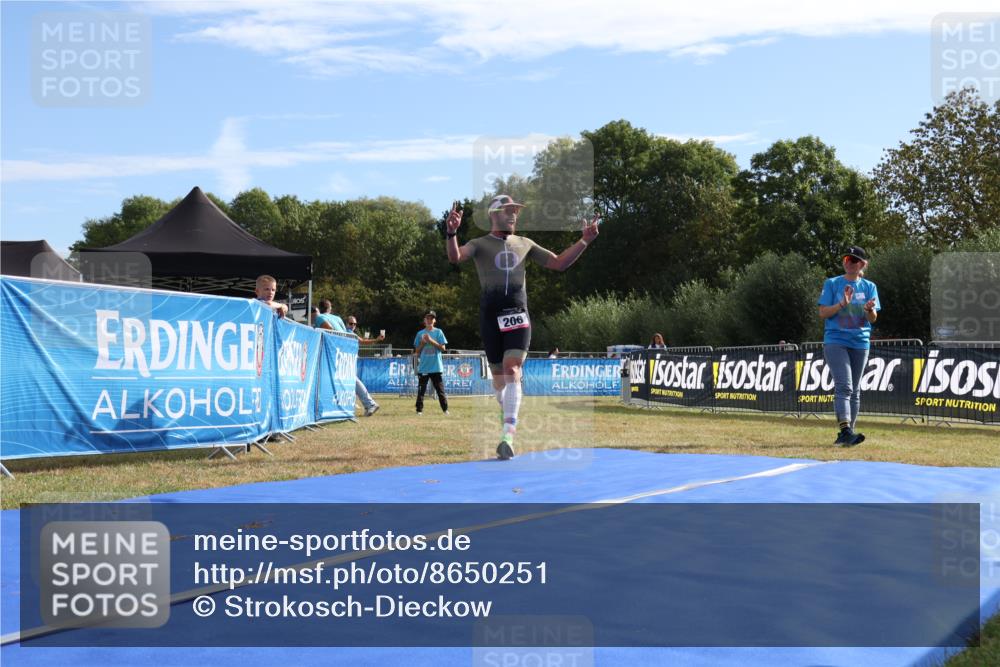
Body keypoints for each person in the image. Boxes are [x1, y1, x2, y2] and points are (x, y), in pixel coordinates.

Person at [446, 194, 600, 460]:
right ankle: (506, 406)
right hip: (490, 316)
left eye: (516, 211)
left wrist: (584, 240)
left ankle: (508, 436)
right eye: (508, 211)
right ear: (494, 214)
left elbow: (559, 263)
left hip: (517, 313)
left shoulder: (525, 243)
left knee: (513, 369)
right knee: (498, 381)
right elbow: (456, 257)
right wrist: (451, 233)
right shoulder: (479, 243)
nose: (514, 215)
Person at [817, 245, 880, 447]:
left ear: (862, 264)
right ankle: (845, 430)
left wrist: (869, 310)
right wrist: (842, 304)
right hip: (836, 341)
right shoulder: (832, 283)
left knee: (855, 390)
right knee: (844, 386)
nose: (849, 263)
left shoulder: (869, 287)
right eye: (846, 259)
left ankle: (848, 435)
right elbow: (823, 313)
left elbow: (873, 318)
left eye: (854, 260)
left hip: (860, 342)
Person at [313, 300, 380, 417]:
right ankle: (368, 403)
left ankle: (369, 403)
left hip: (334, 351)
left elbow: (330, 331)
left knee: (348, 377)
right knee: (348, 377)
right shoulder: (337, 318)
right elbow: (344, 333)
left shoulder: (319, 318)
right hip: (344, 349)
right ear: (330, 308)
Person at [413, 310, 449, 415]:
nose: (429, 320)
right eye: (427, 318)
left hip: (436, 367)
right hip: (424, 367)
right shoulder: (420, 334)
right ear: (424, 320)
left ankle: (445, 409)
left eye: (431, 318)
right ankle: (419, 410)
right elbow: (417, 351)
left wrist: (431, 341)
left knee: (440, 390)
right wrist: (423, 343)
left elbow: (443, 348)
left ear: (435, 321)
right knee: (421, 390)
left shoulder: (439, 332)